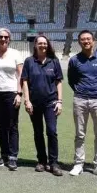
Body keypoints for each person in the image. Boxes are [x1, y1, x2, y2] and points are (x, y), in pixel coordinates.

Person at [67, 30, 97, 178]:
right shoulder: (74, 60)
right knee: (80, 133)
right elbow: (71, 80)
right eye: (83, 40)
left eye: (88, 39)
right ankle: (79, 164)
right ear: (79, 42)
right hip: (80, 99)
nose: (86, 41)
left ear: (93, 41)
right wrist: (81, 91)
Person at [21, 35, 64, 176]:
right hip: (34, 103)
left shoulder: (54, 62)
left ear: (48, 45)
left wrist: (60, 101)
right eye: (40, 43)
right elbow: (25, 82)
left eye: (45, 43)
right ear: (35, 45)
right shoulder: (29, 61)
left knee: (52, 131)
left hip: (51, 103)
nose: (42, 45)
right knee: (38, 132)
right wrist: (27, 101)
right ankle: (41, 161)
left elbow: (58, 82)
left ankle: (54, 163)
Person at [0, 28, 23, 171]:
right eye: (0, 37)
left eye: (6, 37)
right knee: (1, 126)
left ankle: (13, 157)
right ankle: (4, 155)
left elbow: (21, 74)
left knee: (12, 125)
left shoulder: (16, 54)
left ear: (9, 39)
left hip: (11, 93)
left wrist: (19, 94)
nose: (3, 39)